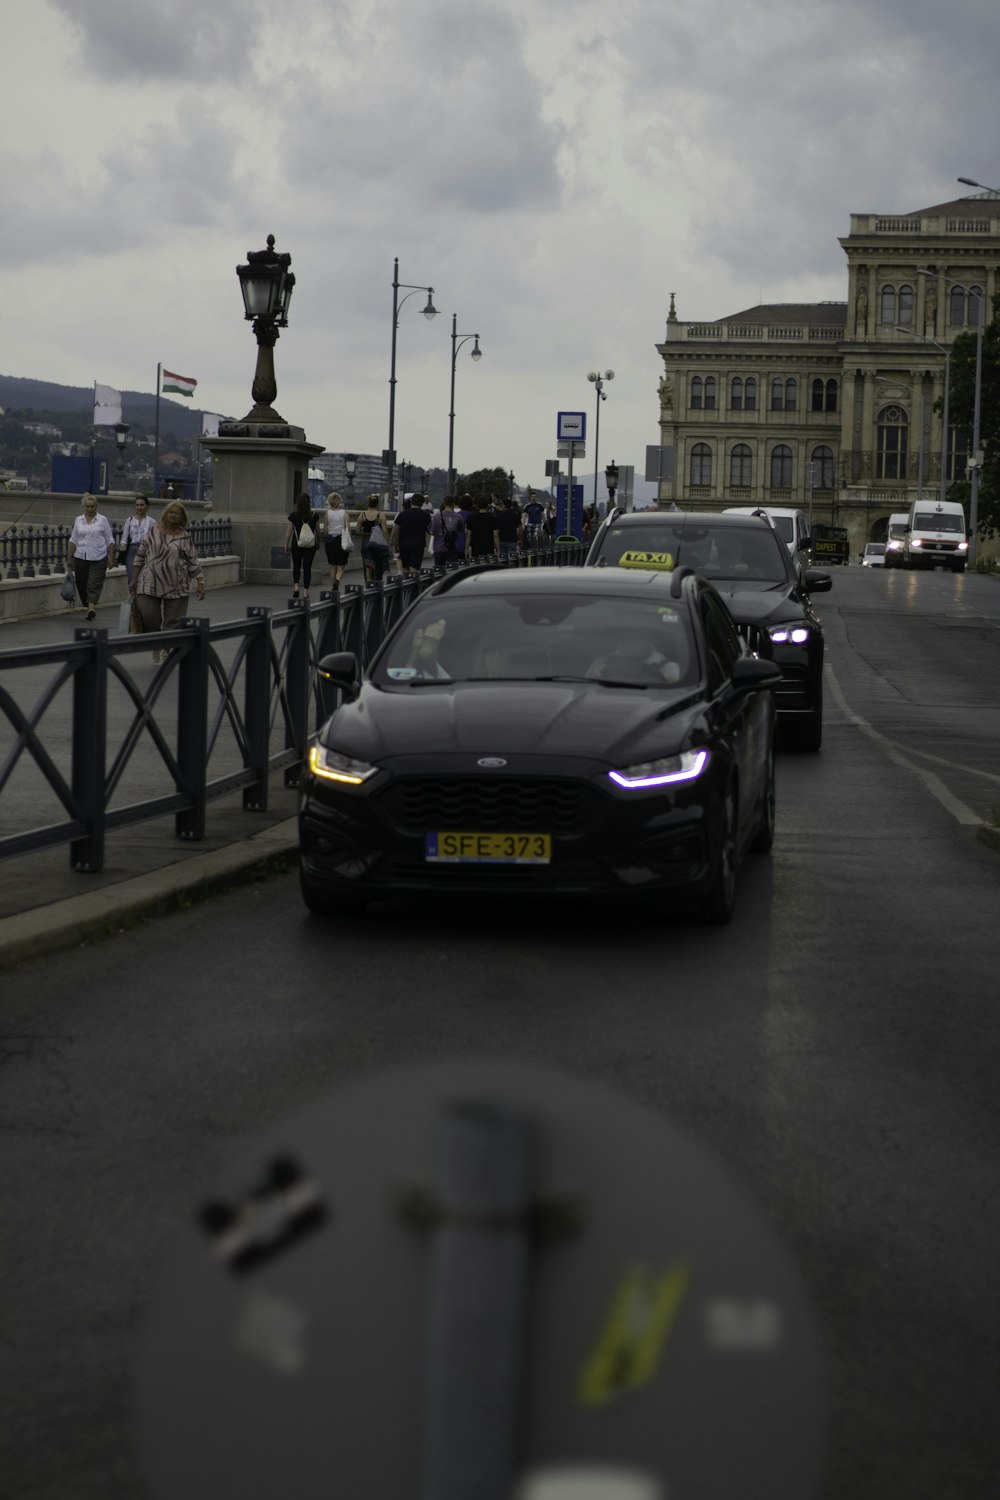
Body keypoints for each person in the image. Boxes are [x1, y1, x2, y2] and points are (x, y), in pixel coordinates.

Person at [130, 500, 205, 662]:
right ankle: (156, 643)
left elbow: (193, 561)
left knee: (173, 621)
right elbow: (140, 554)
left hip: (177, 585)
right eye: (170, 512)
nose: (172, 515)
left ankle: (166, 647)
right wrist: (134, 577)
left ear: (182, 518)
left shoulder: (185, 537)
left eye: (176, 513)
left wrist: (200, 582)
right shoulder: (153, 531)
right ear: (165, 514)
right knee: (149, 615)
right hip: (150, 582)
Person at [67, 492, 116, 619]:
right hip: (80, 556)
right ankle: (88, 604)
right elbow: (74, 539)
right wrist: (69, 557)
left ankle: (91, 608)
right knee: (82, 583)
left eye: (92, 506)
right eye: (87, 506)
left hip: (98, 557)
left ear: (96, 506)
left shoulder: (102, 520)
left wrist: (111, 557)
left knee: (94, 583)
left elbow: (109, 539)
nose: (90, 509)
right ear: (84, 506)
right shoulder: (79, 520)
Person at [284, 492, 321, 599]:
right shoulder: (314, 515)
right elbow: (318, 532)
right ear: (309, 503)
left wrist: (286, 543)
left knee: (296, 566)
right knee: (307, 568)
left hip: (297, 544)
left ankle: (296, 588)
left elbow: (289, 532)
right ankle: (305, 591)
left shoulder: (293, 516)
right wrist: (318, 542)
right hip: (310, 545)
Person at [119, 494, 155, 585]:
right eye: (137, 505)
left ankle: (142, 597)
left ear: (147, 506)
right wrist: (123, 545)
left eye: (142, 505)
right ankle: (133, 597)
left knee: (144, 576)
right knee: (131, 576)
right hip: (132, 549)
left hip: (146, 549)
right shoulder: (130, 520)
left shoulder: (152, 522)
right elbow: (125, 536)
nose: (139, 507)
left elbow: (154, 538)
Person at [391, 495, 432, 576]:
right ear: (422, 503)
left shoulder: (402, 514)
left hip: (404, 545)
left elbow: (395, 530)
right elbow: (430, 531)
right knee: (414, 568)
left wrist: (392, 540)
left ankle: (406, 585)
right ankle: (413, 586)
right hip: (418, 545)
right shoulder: (426, 515)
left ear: (411, 502)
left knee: (405, 568)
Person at [359, 494, 391, 583]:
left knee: (369, 564)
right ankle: (377, 583)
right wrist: (387, 543)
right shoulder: (381, 515)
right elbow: (384, 531)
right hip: (378, 544)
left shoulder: (362, 515)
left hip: (366, 542)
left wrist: (366, 533)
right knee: (378, 564)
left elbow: (358, 531)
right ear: (377, 504)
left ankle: (369, 583)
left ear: (368, 504)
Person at [323, 491, 351, 589]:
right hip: (341, 540)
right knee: (341, 566)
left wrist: (326, 538)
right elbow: (347, 528)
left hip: (330, 541)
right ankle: (338, 580)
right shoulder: (344, 513)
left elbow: (325, 529)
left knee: (333, 565)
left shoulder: (327, 513)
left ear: (330, 502)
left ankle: (333, 586)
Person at [430, 496, 466, 569]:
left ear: (444, 504)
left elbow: (432, 532)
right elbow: (461, 530)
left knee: (438, 571)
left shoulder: (437, 516)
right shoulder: (459, 517)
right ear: (453, 504)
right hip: (452, 548)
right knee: (451, 570)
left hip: (439, 547)